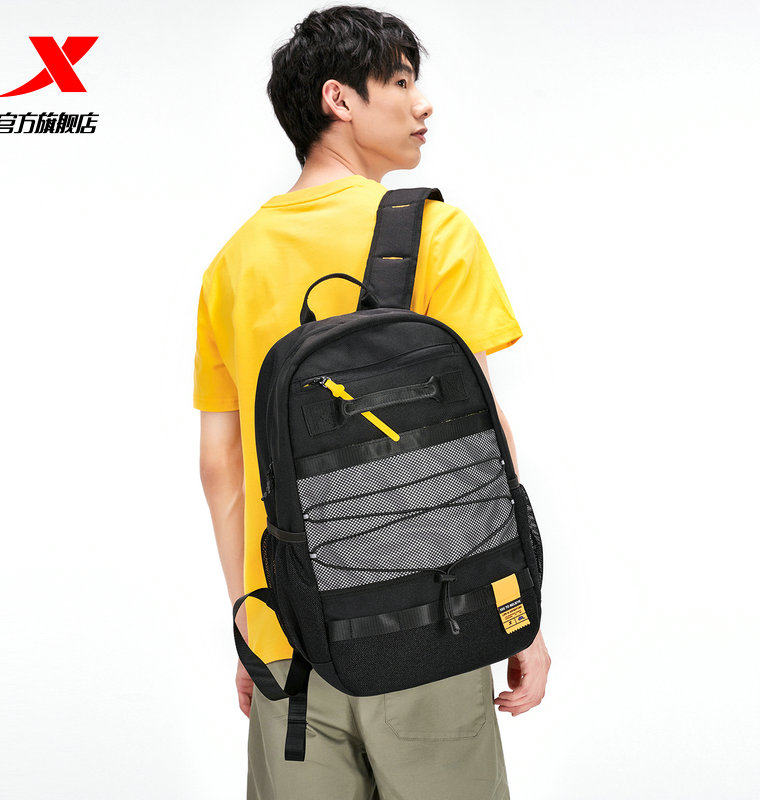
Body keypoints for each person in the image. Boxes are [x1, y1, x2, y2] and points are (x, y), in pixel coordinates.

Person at [194, 6, 550, 799]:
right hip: (431, 621)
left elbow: (221, 467)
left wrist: (252, 620)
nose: (423, 103)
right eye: (399, 80)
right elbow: (481, 450)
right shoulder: (436, 234)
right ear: (339, 99)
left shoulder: (231, 264)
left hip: (290, 638)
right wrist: (516, 607)